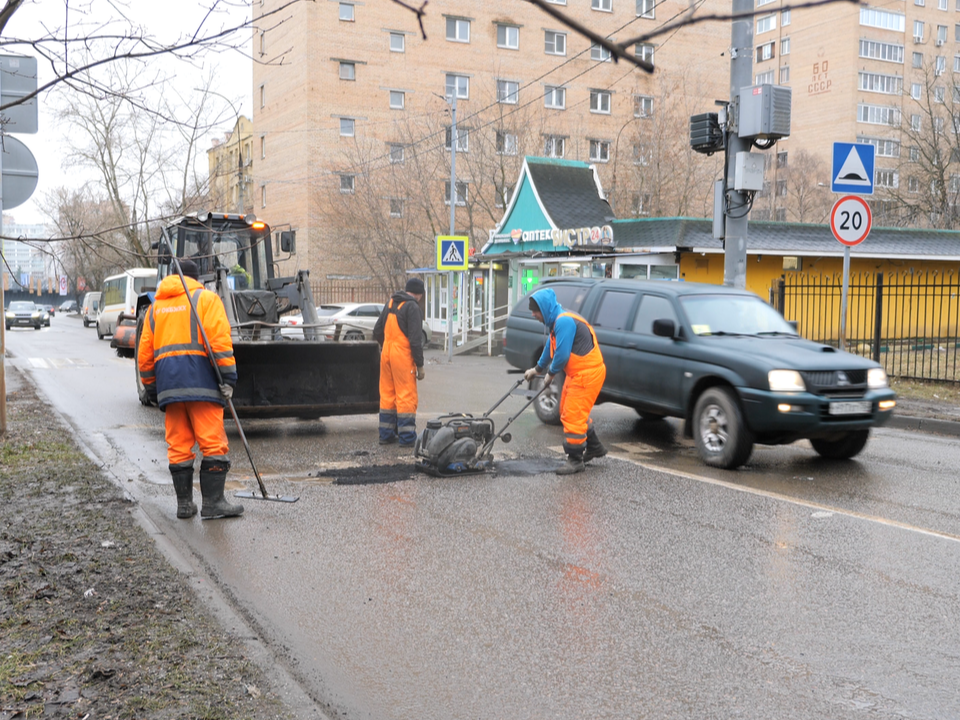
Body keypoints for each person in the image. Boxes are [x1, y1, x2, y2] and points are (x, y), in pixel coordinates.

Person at [137, 259, 243, 519]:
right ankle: (213, 503)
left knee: (179, 445)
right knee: (212, 443)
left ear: (172, 277)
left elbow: (144, 356)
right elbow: (219, 342)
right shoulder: (206, 300)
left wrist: (152, 389)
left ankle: (184, 505)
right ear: (197, 279)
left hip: (170, 389)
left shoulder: (154, 309)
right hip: (202, 384)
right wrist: (228, 379)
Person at [524, 287, 608, 475]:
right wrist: (536, 369)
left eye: (535, 311)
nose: (533, 314)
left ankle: (575, 460)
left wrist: (550, 374)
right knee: (566, 410)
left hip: (587, 373)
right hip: (577, 373)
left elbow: (561, 356)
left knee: (572, 415)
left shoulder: (564, 322)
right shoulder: (556, 321)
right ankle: (595, 447)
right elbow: (550, 348)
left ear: (544, 309)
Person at [374, 277, 425, 446]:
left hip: (386, 353)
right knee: (405, 395)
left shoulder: (390, 303)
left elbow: (377, 331)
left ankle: (386, 435)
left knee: (387, 394)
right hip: (402, 356)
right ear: (420, 294)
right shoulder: (412, 307)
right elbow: (415, 341)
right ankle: (407, 438)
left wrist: (386, 346)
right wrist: (420, 365)